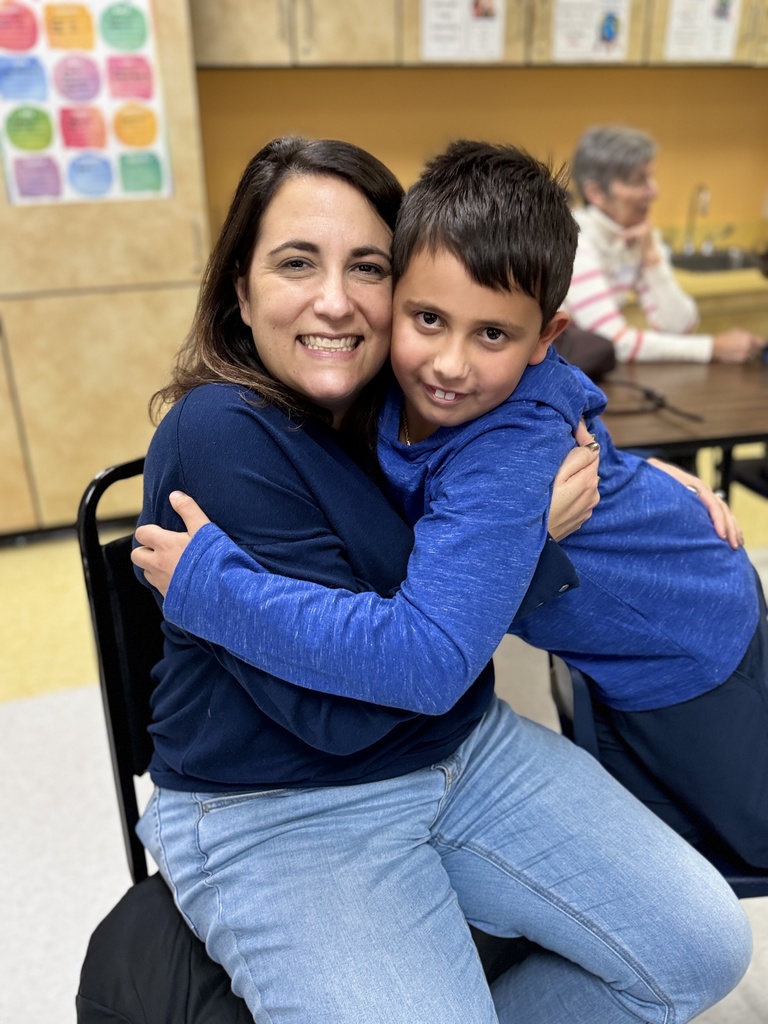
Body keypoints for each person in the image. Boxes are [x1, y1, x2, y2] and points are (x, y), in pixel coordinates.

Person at [132, 136, 751, 1024]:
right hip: (281, 802)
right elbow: (345, 717)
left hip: (459, 747)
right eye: (297, 262)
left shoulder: (393, 397)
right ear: (240, 286)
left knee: (703, 946)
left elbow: (539, 400)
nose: (336, 302)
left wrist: (634, 477)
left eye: (368, 267)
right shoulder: (223, 430)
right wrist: (521, 552)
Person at [563, 124, 766, 364]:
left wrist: (651, 258)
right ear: (596, 193)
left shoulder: (634, 235)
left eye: (651, 177)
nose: (654, 191)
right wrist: (711, 348)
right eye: (639, 181)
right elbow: (614, 341)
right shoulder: (574, 239)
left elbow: (680, 326)